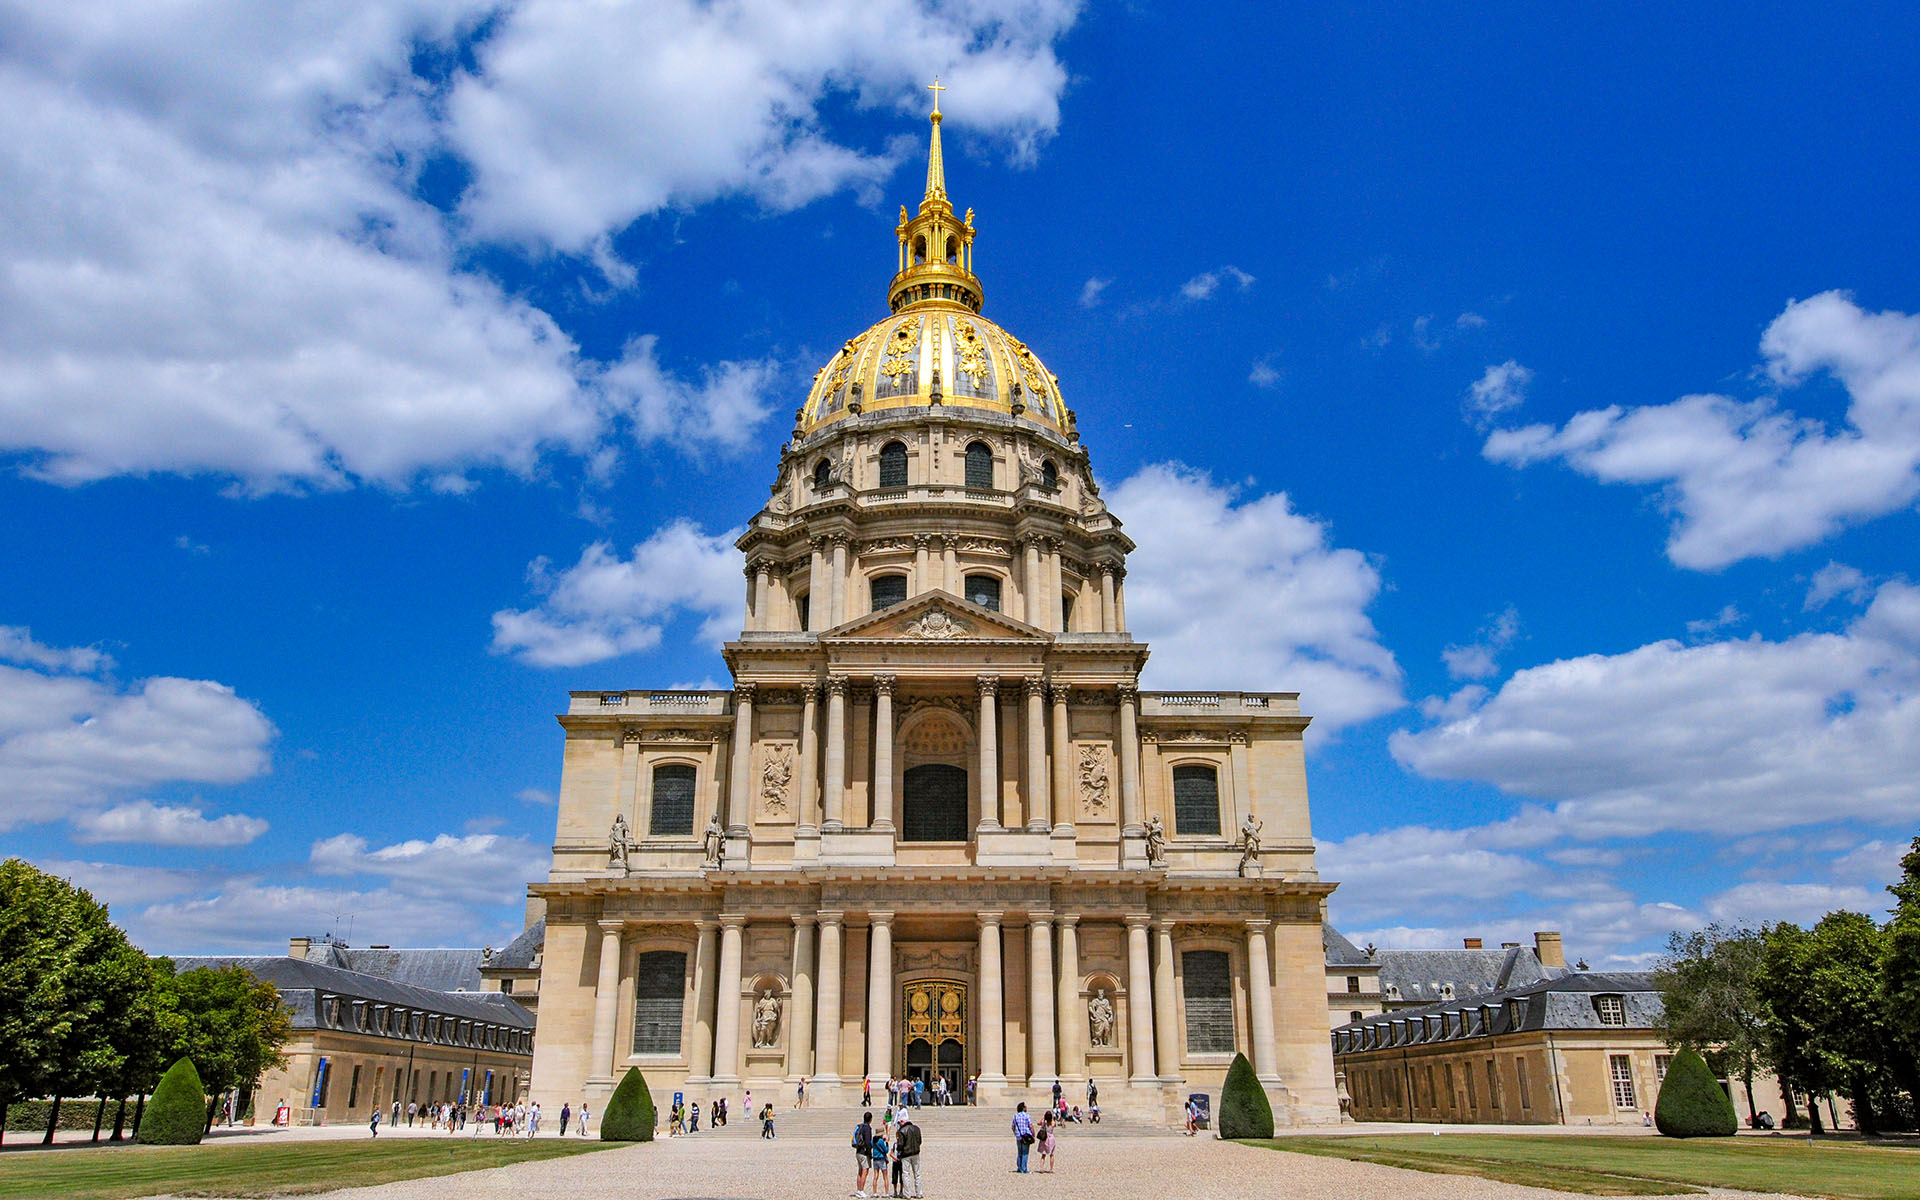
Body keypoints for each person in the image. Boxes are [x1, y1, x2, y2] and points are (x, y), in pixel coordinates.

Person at [896, 1111, 924, 1199]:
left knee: (906, 1174)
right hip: (915, 1153)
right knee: (917, 1174)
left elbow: (900, 1144)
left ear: (902, 1122)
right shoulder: (916, 1128)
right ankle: (919, 1193)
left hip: (906, 1154)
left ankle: (907, 1194)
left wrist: (899, 1150)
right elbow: (920, 1141)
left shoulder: (902, 1131)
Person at [851, 1110, 876, 1198]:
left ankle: (859, 1190)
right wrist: (870, 1154)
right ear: (871, 1119)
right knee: (865, 1171)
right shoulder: (867, 1128)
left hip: (858, 1151)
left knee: (860, 1171)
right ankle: (861, 1190)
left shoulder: (860, 1127)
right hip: (864, 1152)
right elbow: (868, 1142)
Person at [1011, 1102, 1035, 1173]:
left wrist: (1016, 1134)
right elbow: (1031, 1126)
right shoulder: (1027, 1116)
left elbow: (1013, 1127)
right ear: (1023, 1108)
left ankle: (1019, 1167)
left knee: (1020, 1152)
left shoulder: (1015, 1116)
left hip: (1019, 1136)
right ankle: (1024, 1169)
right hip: (1026, 1135)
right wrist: (1033, 1134)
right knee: (1025, 1153)